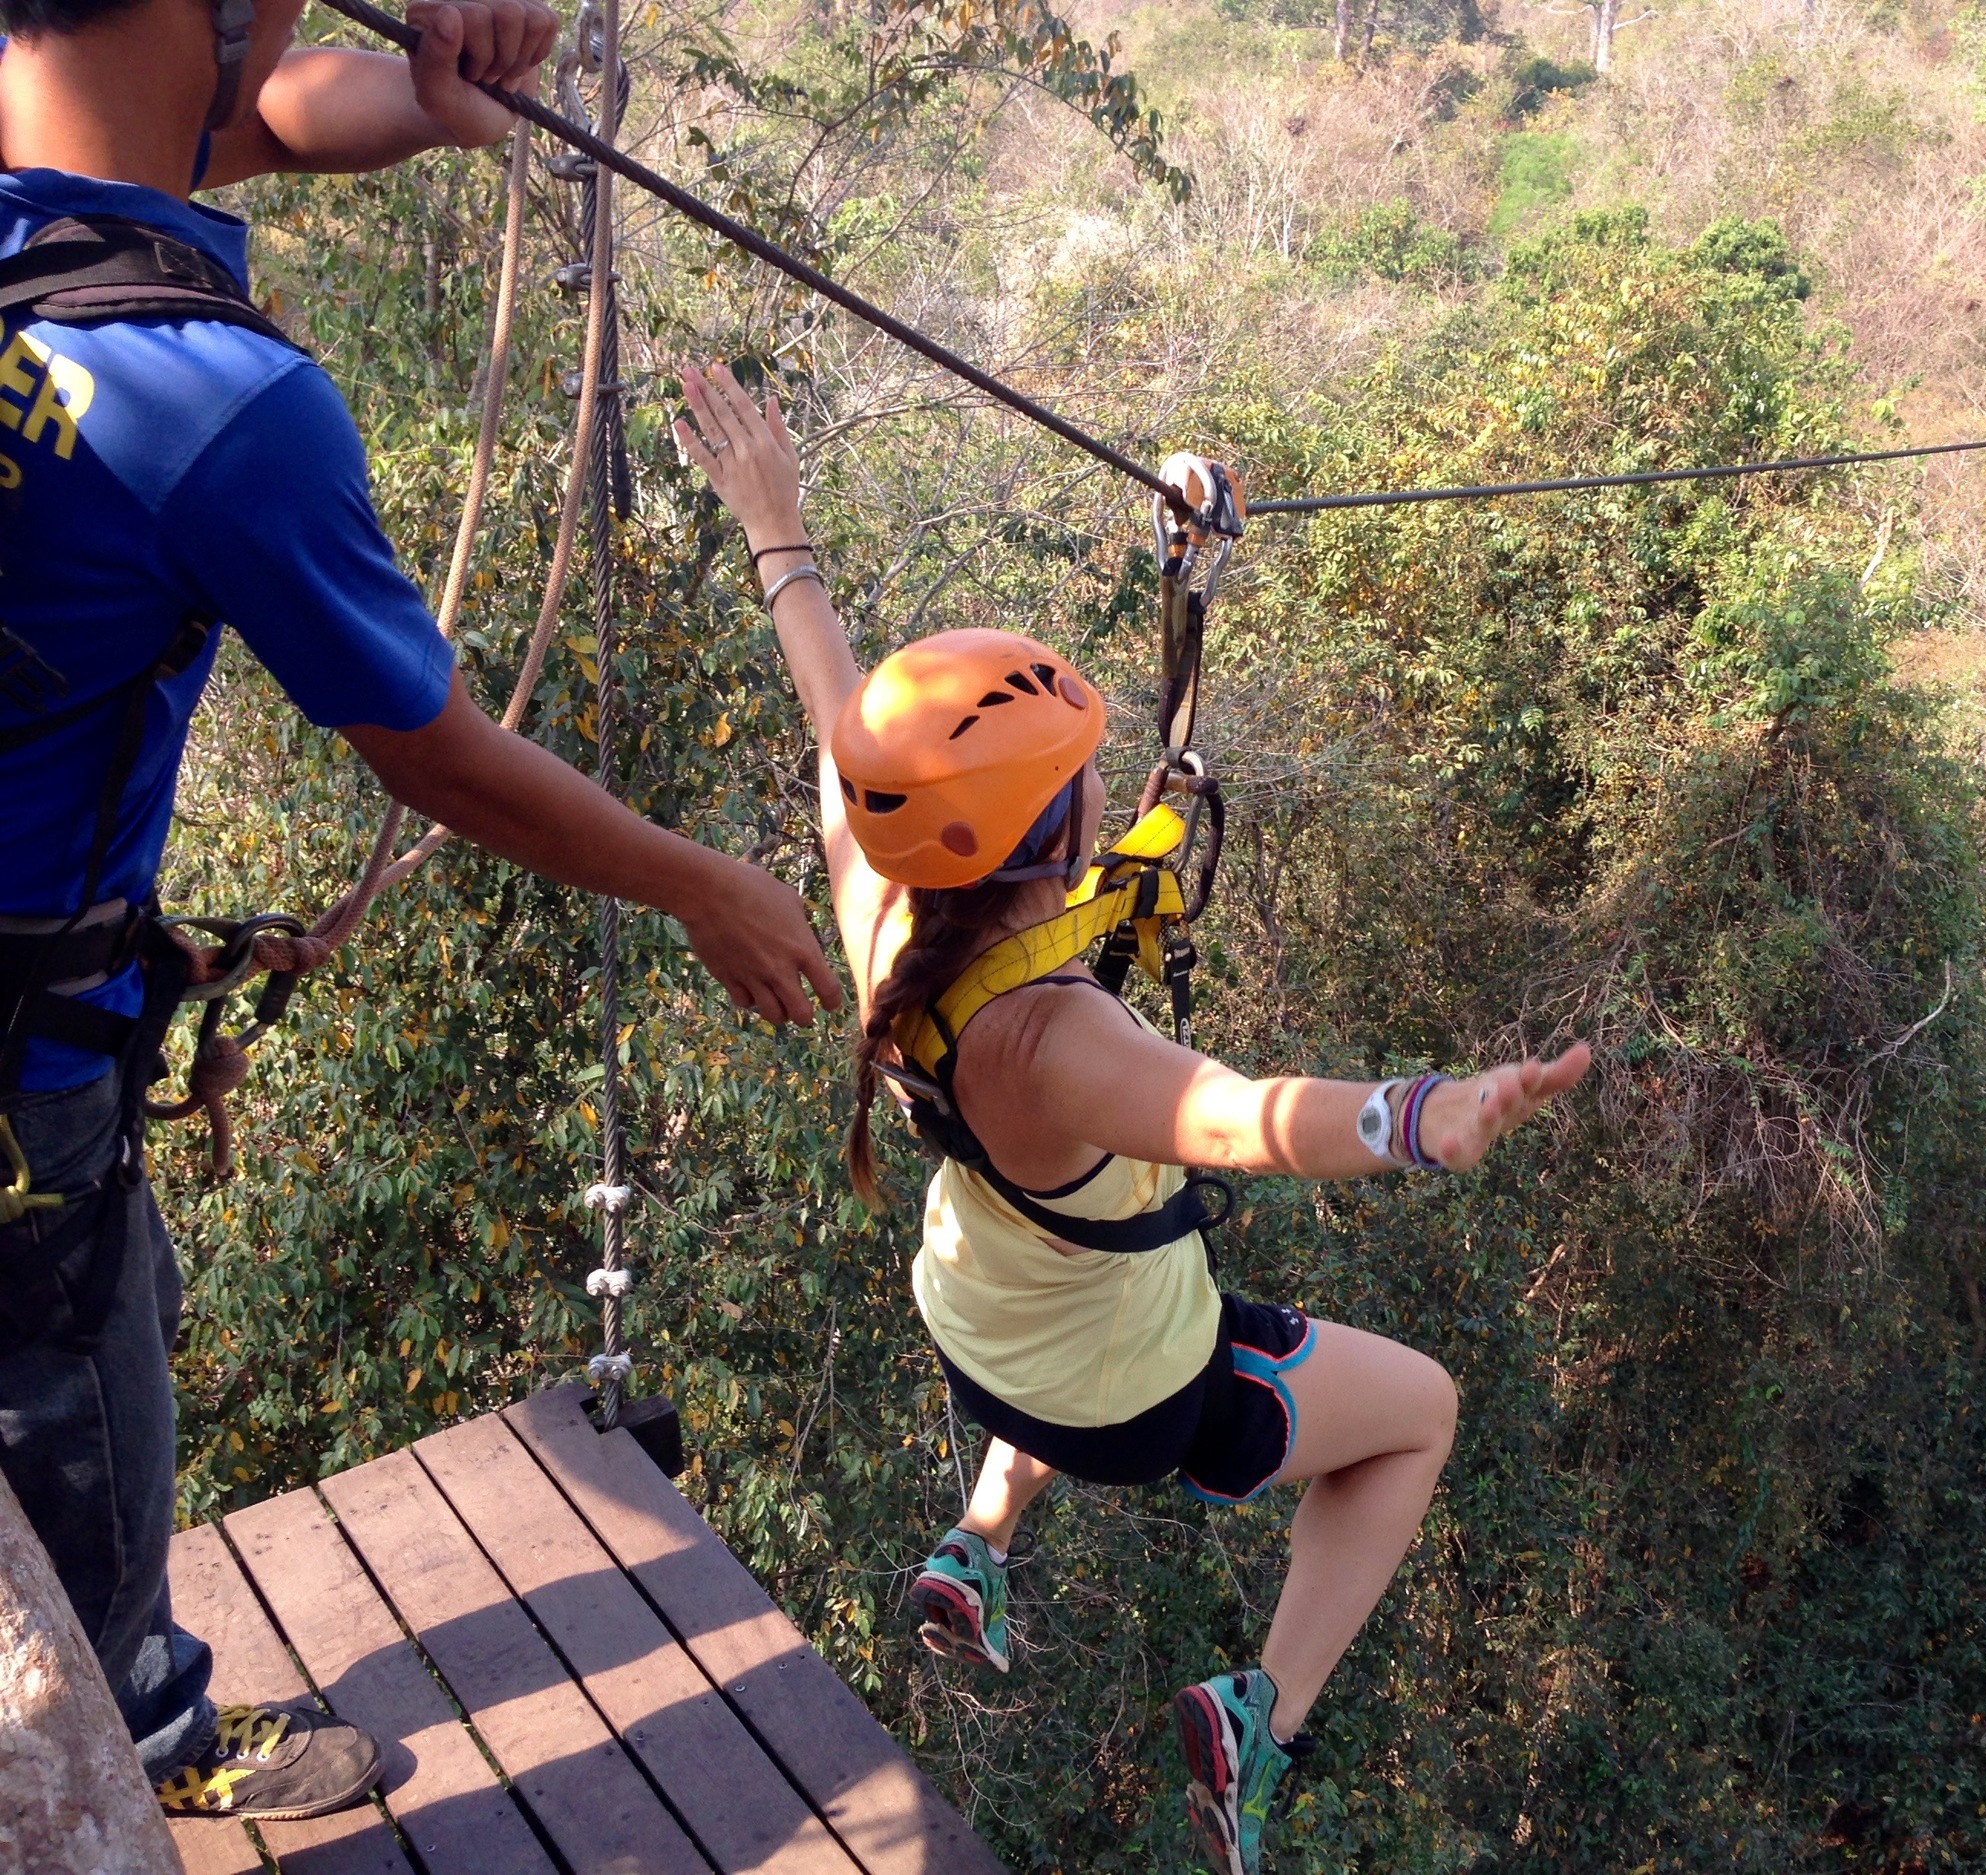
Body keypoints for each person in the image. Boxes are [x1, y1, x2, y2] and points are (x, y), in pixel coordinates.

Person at [0, 0, 844, 1823]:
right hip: (20, 1056)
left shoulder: (40, 220)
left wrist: (435, 107)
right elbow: (437, 756)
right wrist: (704, 879)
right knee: (79, 1359)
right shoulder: (215, 408)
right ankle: (131, 1744)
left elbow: (241, 124)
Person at [678, 363, 1589, 1875]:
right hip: (1123, 1403)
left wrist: (778, 528)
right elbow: (1252, 1123)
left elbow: (842, 712)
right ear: (1067, 832)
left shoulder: (883, 903)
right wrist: (1433, 1117)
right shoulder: (1063, 1045)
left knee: (1078, 1274)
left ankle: (980, 1535)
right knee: (1419, 1412)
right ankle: (1264, 1719)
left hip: (979, 1330)